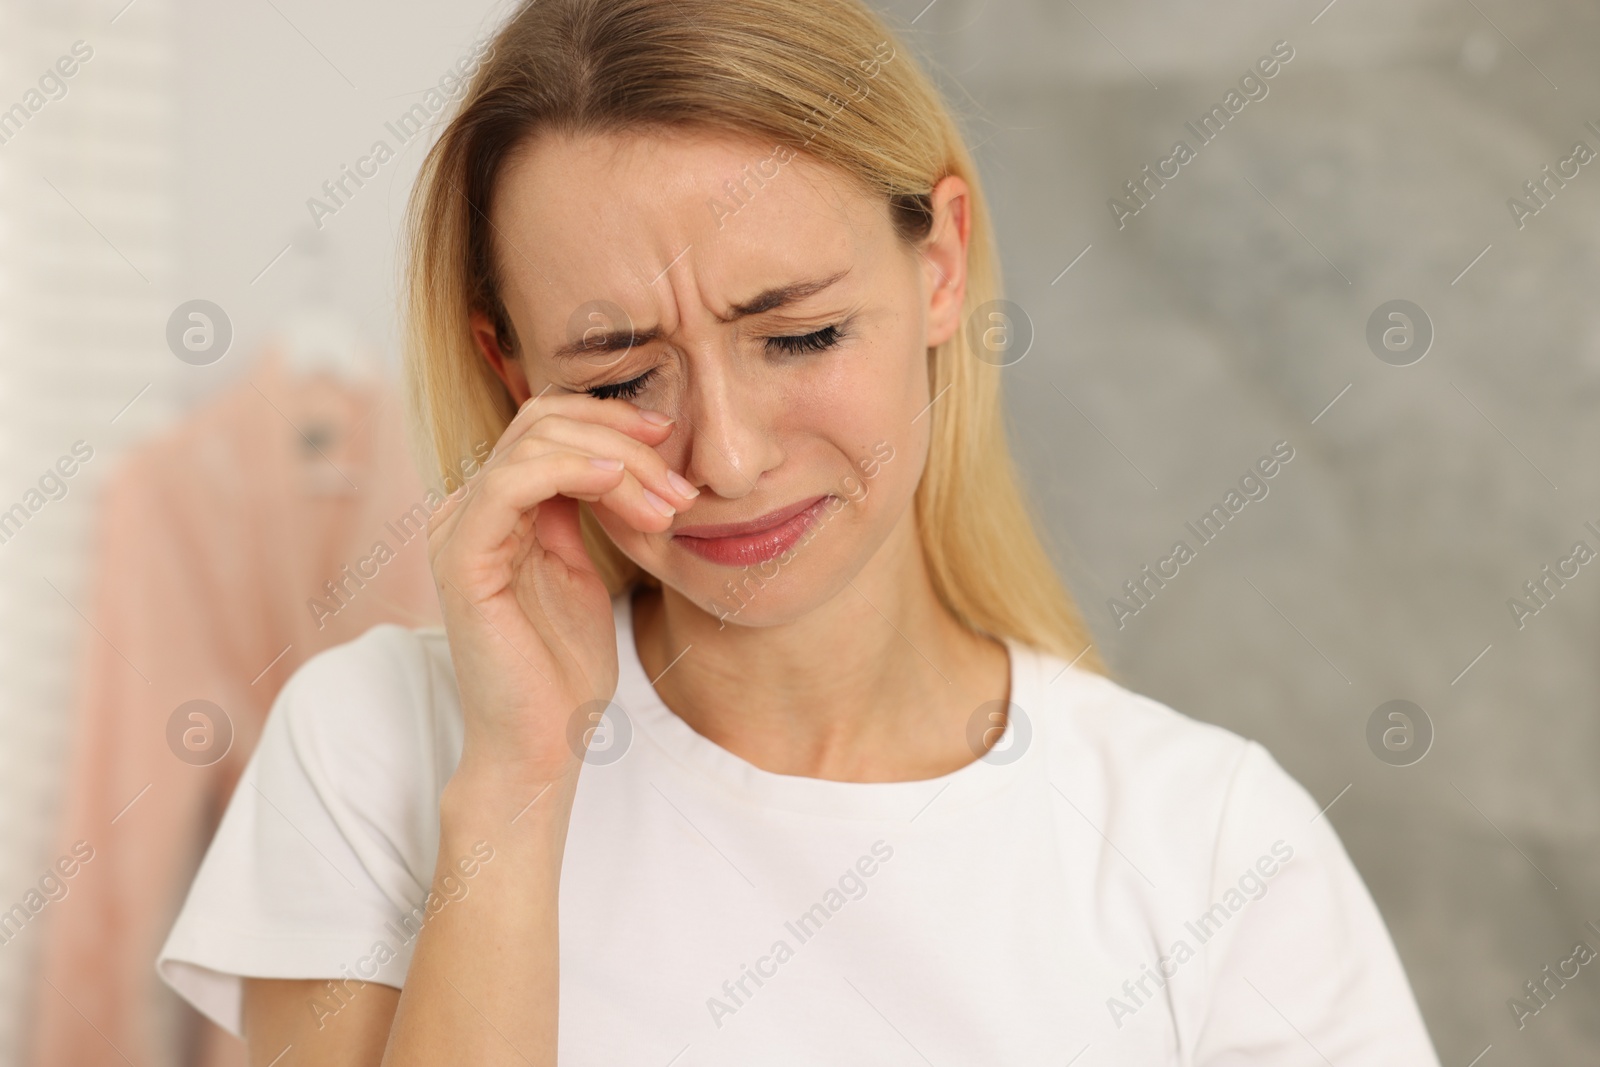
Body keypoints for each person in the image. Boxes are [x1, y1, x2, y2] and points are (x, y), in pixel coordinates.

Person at [157, 0, 1443, 1063]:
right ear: (511, 371)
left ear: (939, 264)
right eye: (616, 376)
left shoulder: (1211, 844)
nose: (726, 455)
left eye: (800, 334)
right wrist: (517, 785)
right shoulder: (377, 748)